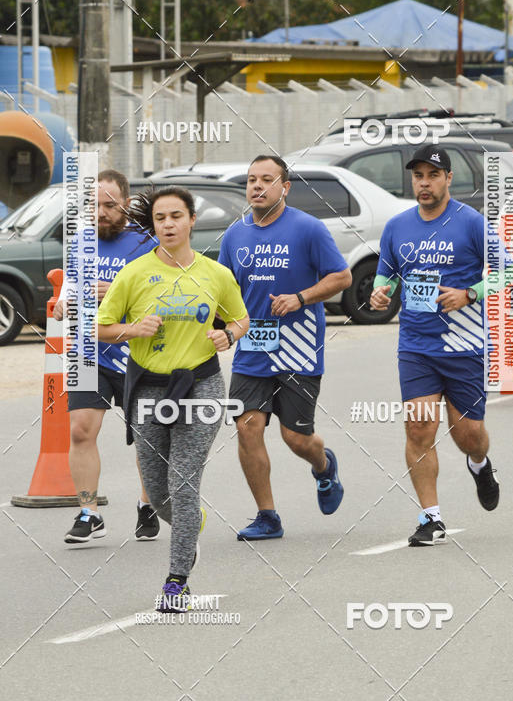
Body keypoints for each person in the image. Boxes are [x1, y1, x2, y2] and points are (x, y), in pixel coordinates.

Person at [97, 186, 249, 611]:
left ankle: (177, 580)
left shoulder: (214, 273)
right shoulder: (134, 274)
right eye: (160, 218)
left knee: (182, 483)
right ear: (153, 224)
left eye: (176, 216)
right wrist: (132, 330)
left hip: (200, 385)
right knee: (160, 493)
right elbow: (99, 326)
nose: (168, 224)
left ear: (191, 221)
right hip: (147, 386)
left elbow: (241, 318)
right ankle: (190, 524)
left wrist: (228, 335)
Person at [370, 144, 511, 547]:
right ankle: (431, 518)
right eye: (418, 176)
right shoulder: (398, 226)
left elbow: (508, 272)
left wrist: (470, 293)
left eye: (433, 175)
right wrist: (381, 294)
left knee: (468, 432)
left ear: (449, 179)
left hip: (464, 344)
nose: (425, 183)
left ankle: (480, 463)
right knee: (418, 427)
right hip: (415, 345)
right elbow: (387, 275)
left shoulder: (470, 223)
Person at [218, 155, 352, 540]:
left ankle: (324, 466)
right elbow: (226, 291)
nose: (256, 187)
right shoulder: (235, 234)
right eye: (250, 180)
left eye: (266, 180)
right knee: (247, 428)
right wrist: (222, 327)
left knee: (295, 438)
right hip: (252, 348)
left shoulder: (308, 229)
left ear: (285, 187)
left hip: (298, 348)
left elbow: (341, 277)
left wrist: (301, 297)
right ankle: (267, 516)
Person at [55, 170, 159, 544]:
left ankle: (148, 504)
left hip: (139, 354)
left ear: (126, 204)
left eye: (109, 205)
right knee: (81, 430)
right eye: (95, 205)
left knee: (148, 437)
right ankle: (89, 512)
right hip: (89, 351)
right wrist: (64, 303)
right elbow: (70, 285)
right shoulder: (81, 242)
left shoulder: (146, 243)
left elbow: (164, 294)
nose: (101, 212)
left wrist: (116, 291)